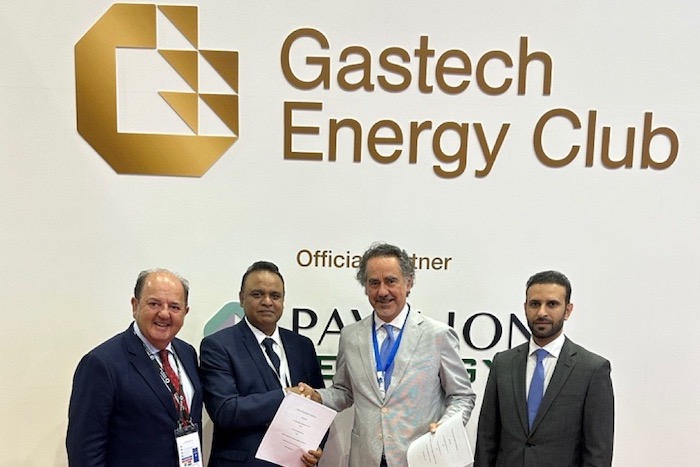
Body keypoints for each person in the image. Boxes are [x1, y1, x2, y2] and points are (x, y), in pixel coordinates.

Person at [295, 242, 476, 467]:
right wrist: (317, 396)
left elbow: (462, 396)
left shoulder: (437, 335)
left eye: (391, 281)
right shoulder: (351, 336)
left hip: (418, 459)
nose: (382, 292)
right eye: (374, 283)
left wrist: (445, 428)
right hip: (365, 459)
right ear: (365, 288)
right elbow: (344, 392)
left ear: (409, 283)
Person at [474, 270, 615, 467]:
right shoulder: (503, 363)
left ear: (568, 310)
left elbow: (598, 452)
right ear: (525, 308)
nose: (542, 312)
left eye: (552, 304)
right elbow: (486, 438)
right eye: (535, 304)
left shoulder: (592, 369)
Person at [66, 268, 203, 467]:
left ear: (185, 312)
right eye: (154, 304)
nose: (164, 313)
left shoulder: (187, 353)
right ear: (135, 305)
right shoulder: (101, 363)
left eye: (174, 307)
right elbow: (85, 451)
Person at [200, 261, 325, 467]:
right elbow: (226, 411)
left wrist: (316, 447)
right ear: (241, 298)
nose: (267, 302)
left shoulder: (302, 346)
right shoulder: (218, 345)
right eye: (257, 294)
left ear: (283, 300)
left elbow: (318, 404)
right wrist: (285, 396)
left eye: (275, 296)